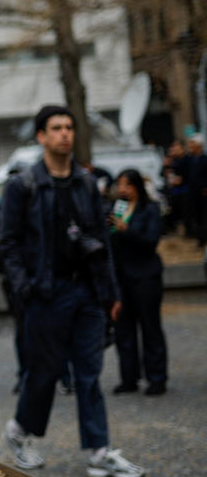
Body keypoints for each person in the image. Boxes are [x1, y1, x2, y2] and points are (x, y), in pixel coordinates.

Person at [0, 104, 145, 477]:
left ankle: (99, 450)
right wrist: (24, 287)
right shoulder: (23, 186)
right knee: (44, 371)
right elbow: (9, 244)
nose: (65, 133)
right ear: (41, 136)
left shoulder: (85, 184)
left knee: (89, 373)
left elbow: (101, 240)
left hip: (86, 293)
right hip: (45, 292)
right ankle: (18, 431)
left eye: (69, 127)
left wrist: (110, 293)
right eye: (56, 128)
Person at [108, 169, 168, 395]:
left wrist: (127, 230)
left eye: (128, 185)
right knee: (123, 329)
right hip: (123, 277)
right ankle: (129, 377)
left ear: (137, 186)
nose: (123, 189)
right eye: (120, 184)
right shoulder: (118, 209)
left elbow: (151, 241)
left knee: (150, 328)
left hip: (145, 277)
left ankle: (157, 377)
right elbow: (113, 243)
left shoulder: (150, 209)